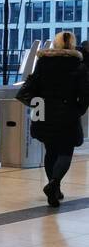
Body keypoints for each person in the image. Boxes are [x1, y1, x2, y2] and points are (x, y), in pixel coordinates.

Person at [17, 30, 89, 206]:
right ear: (72, 44)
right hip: (68, 113)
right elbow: (85, 94)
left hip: (44, 112)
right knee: (65, 151)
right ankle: (54, 184)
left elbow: (32, 86)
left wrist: (38, 104)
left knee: (50, 151)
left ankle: (54, 191)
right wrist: (79, 110)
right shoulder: (78, 65)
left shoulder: (43, 63)